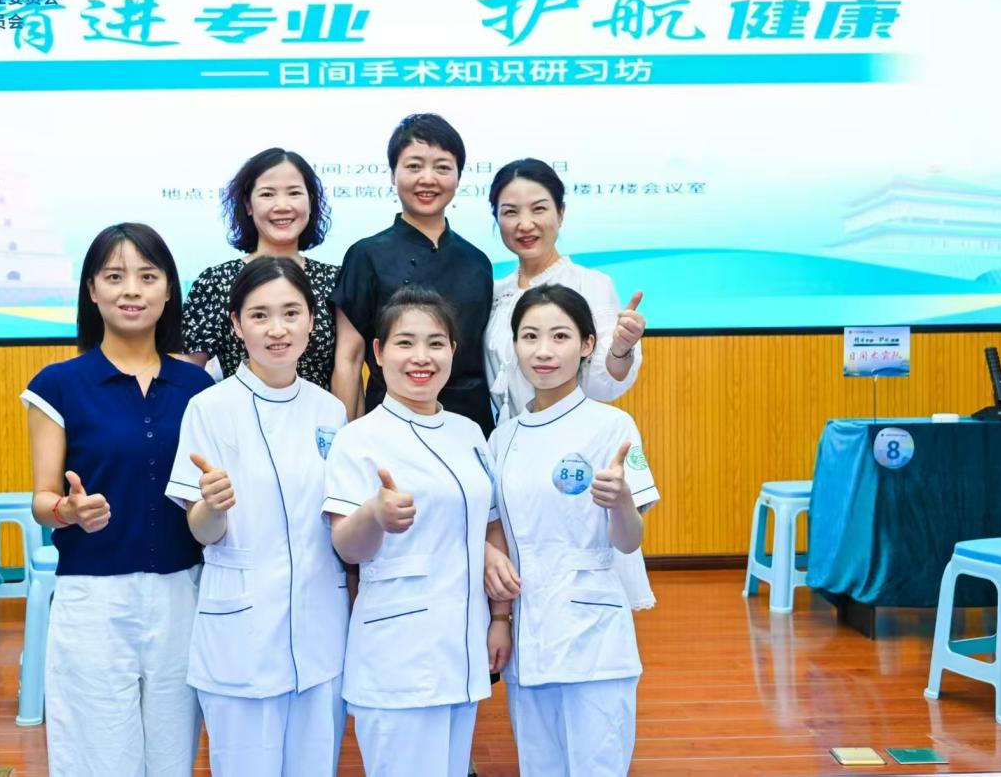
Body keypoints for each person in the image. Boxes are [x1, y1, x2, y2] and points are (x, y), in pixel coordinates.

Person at [21, 223, 213, 777]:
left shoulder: (199, 390)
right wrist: (68, 511)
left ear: (168, 290)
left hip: (183, 592)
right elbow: (42, 498)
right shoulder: (58, 385)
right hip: (95, 597)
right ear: (92, 290)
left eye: (147, 277)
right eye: (114, 277)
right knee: (98, 752)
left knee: (173, 753)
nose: (132, 290)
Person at [166, 257, 349, 777]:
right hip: (242, 634)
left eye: (291, 313)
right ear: (236, 324)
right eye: (260, 315)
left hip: (320, 628)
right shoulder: (209, 408)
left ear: (312, 321)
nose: (277, 329)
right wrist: (211, 506)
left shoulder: (330, 412)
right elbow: (202, 531)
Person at [322, 286, 510, 777]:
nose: (421, 357)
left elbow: (488, 524)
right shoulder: (358, 439)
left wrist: (500, 617)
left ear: (454, 351)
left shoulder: (469, 433)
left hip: (462, 646)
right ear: (379, 352)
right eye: (405, 343)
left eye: (436, 343)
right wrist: (374, 515)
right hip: (398, 656)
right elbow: (347, 547)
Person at [485, 283, 659, 777]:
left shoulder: (612, 426)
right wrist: (501, 619)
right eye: (530, 336)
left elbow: (629, 540)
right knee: (538, 765)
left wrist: (620, 502)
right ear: (514, 346)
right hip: (529, 634)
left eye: (560, 336)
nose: (544, 351)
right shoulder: (503, 438)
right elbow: (498, 532)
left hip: (595, 635)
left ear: (587, 344)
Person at [482, 157, 655, 610]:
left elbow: (604, 383)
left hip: (571, 456)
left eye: (539, 208)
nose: (525, 224)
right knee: (519, 588)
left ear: (560, 213)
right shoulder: (494, 292)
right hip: (514, 447)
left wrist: (621, 349)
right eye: (510, 212)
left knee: (583, 584)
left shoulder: (590, 283)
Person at [331, 113, 494, 434]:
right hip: (389, 426)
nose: (428, 179)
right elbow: (348, 359)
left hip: (469, 427)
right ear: (393, 175)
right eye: (414, 166)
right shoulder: (366, 255)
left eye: (442, 167)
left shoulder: (478, 262)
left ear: (459, 176)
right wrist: (347, 440)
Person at [182, 148, 339, 388]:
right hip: (235, 411)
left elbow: (349, 364)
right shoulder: (216, 281)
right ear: (248, 205)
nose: (282, 206)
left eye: (294, 193)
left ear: (310, 201)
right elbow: (188, 373)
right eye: (267, 194)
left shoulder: (336, 280)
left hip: (320, 411)